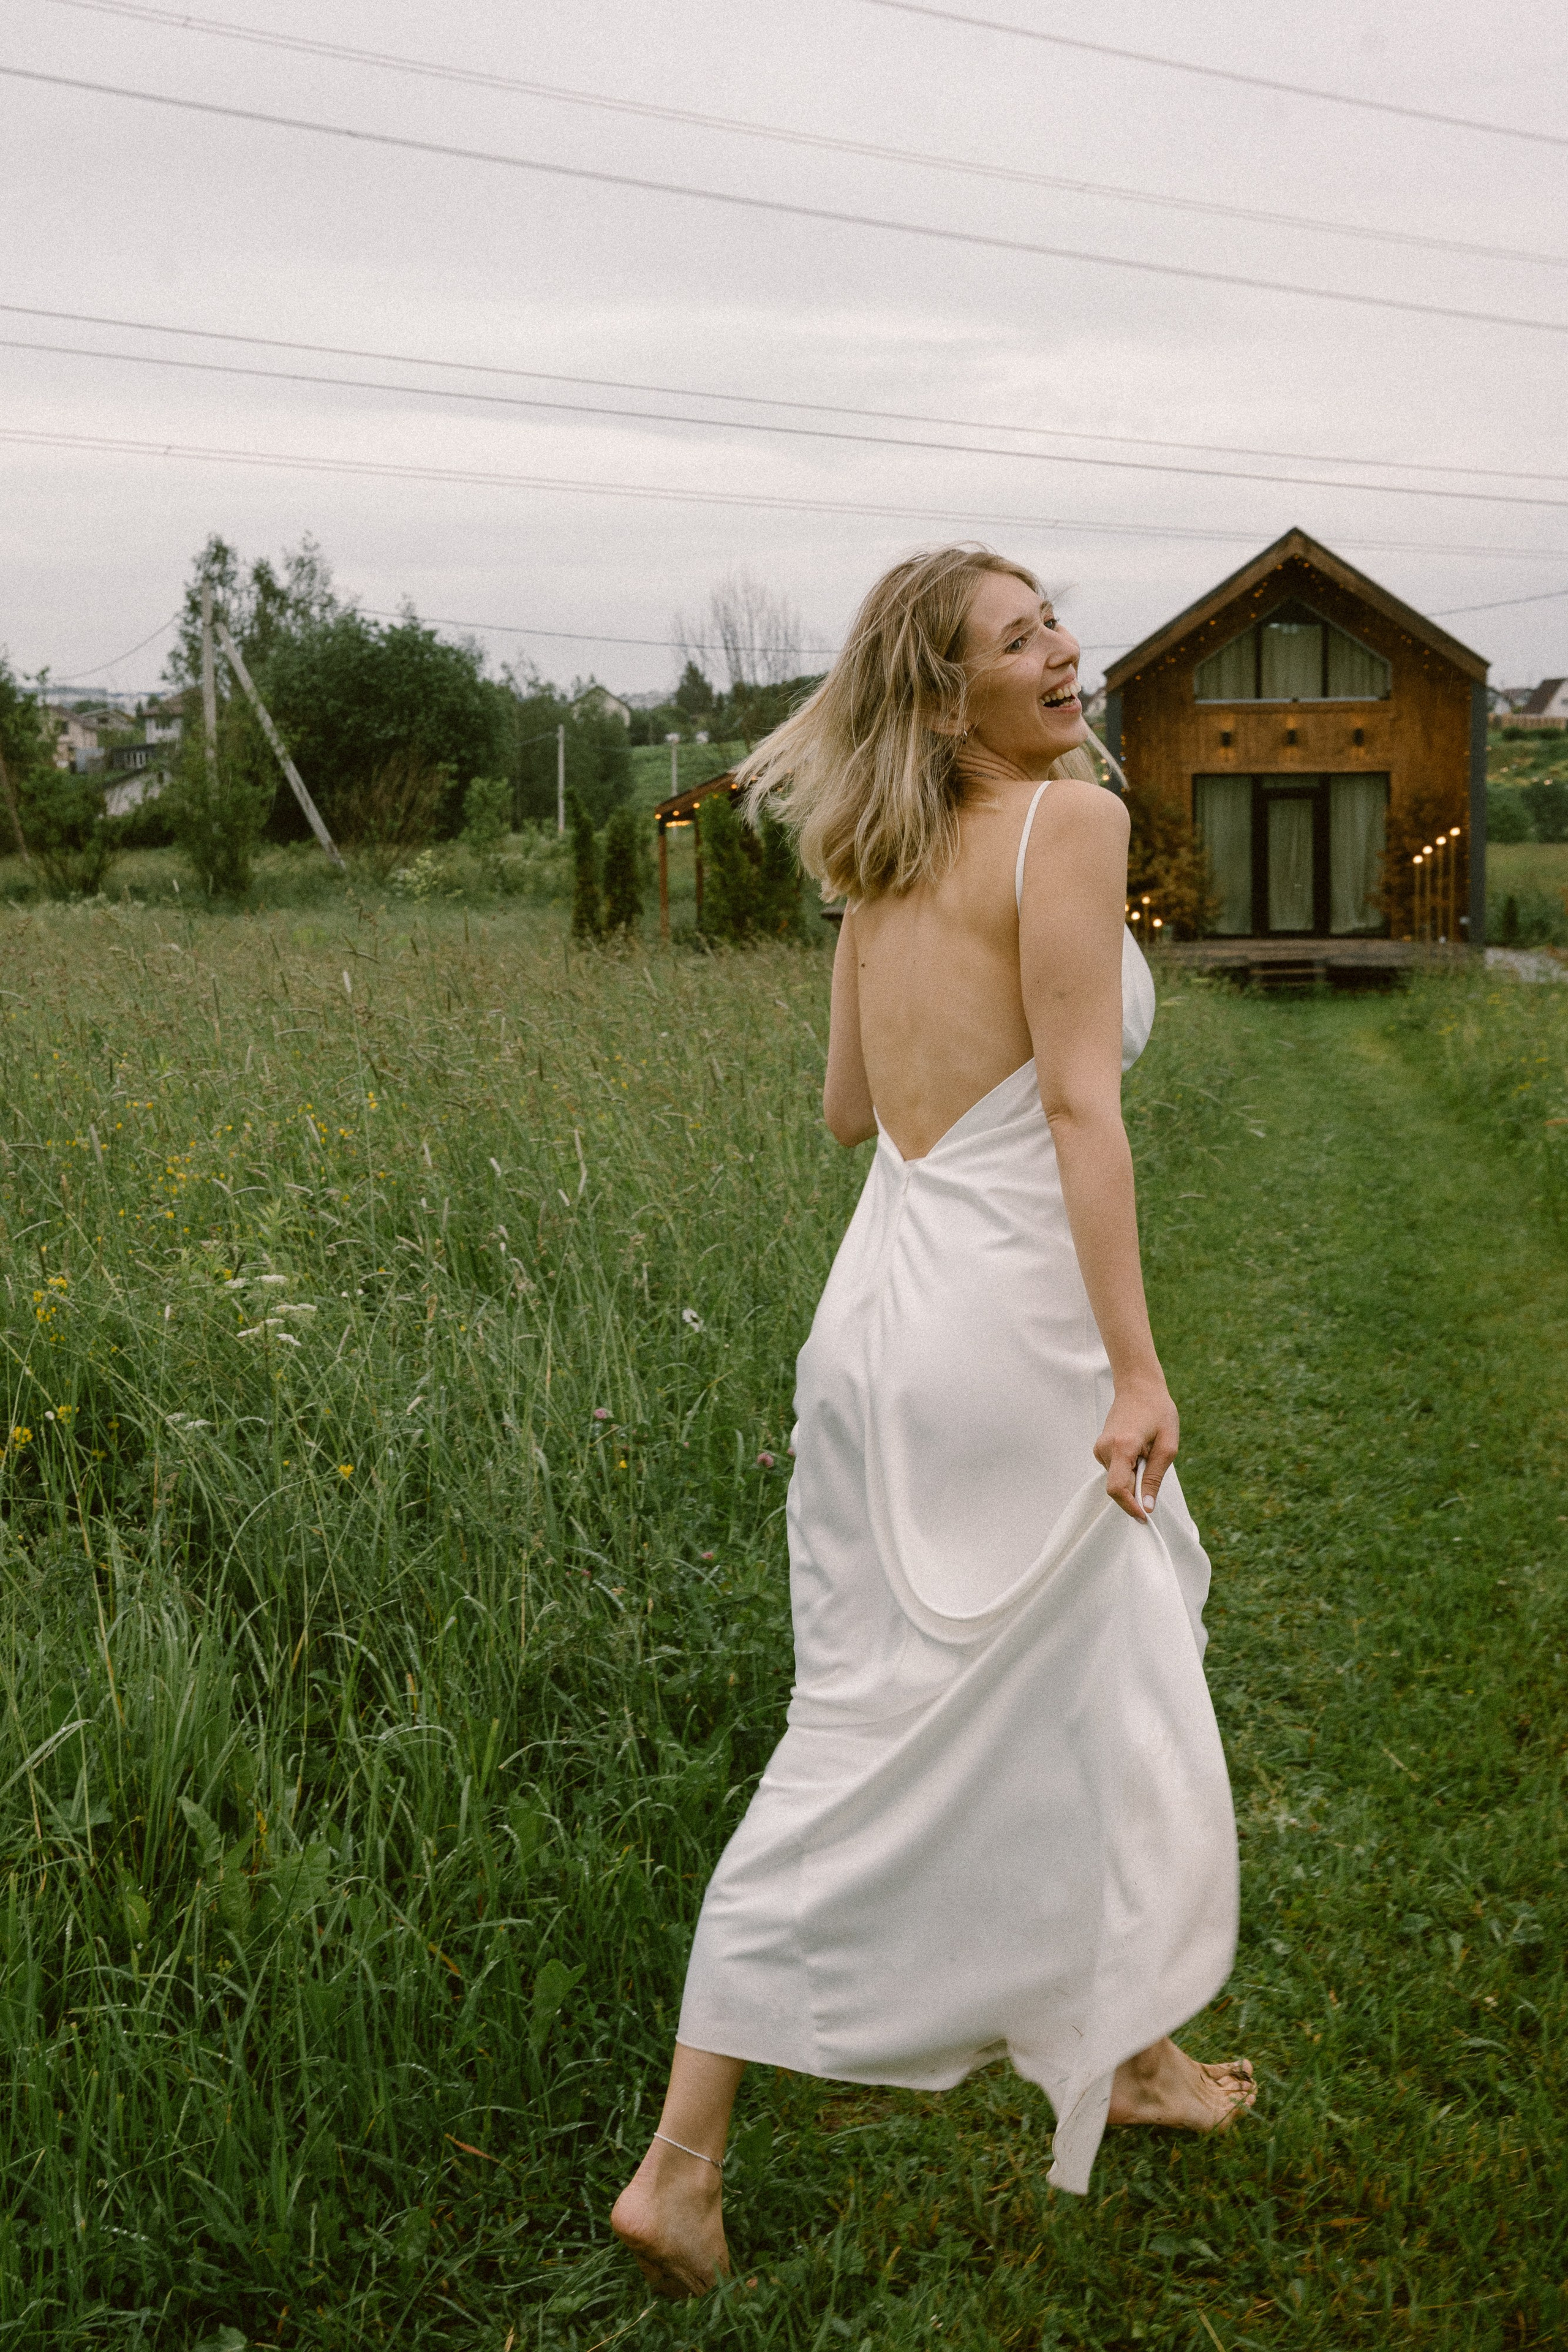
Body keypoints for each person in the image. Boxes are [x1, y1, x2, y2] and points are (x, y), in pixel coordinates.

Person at [612, 546, 1251, 2300]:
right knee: (996, 1704)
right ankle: (682, 2169)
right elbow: (1073, 1112)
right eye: (1015, 641)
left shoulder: (873, 865)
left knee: (986, 1688)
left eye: (1055, 621)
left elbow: (847, 1113)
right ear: (942, 695)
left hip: (877, 1320)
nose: (1062, 653)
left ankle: (1132, 2060)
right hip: (1002, 1334)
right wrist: (1133, 1368)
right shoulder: (1070, 828)